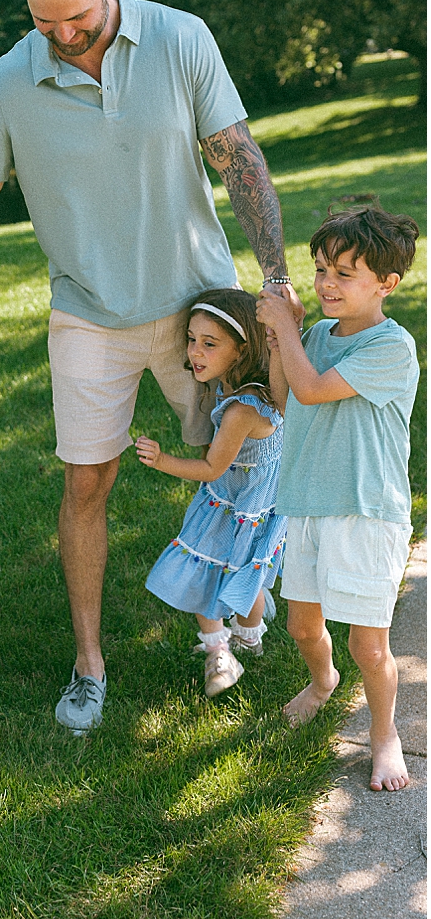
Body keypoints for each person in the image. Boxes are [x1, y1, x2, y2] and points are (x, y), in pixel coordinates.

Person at [0, 0, 294, 735]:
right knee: (86, 485)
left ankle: (237, 601)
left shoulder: (180, 39)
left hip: (201, 309)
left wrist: (276, 280)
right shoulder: (9, 81)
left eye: (79, 18)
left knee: (242, 463)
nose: (65, 37)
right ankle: (88, 663)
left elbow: (238, 157)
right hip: (87, 314)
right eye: (45, 24)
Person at [257, 198, 420, 792]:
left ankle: (385, 736)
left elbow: (315, 389)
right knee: (303, 626)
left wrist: (283, 329)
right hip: (306, 501)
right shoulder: (317, 335)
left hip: (365, 511)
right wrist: (284, 341)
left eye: (343, 274)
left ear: (386, 284)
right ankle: (322, 682)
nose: (326, 283)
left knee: (369, 646)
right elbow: (283, 394)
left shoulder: (392, 348)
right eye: (322, 269)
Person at [133, 289, 286, 696]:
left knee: (210, 570)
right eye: (191, 339)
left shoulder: (241, 409)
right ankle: (239, 642)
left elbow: (211, 467)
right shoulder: (238, 384)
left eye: (209, 343)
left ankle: (230, 647)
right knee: (238, 570)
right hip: (250, 501)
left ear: (240, 350)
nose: (195, 352)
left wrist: (162, 460)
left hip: (233, 503)